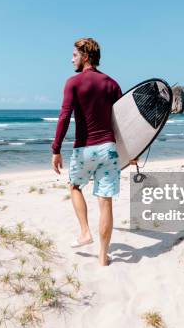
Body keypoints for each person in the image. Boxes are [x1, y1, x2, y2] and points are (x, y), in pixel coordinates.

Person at [51, 37, 134, 266]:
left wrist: (56, 149)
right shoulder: (112, 84)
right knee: (105, 201)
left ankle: (85, 232)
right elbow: (124, 122)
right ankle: (103, 257)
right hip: (108, 149)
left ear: (85, 56)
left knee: (75, 186)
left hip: (84, 150)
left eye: (75, 55)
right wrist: (132, 151)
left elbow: (65, 116)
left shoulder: (73, 83)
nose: (71, 59)